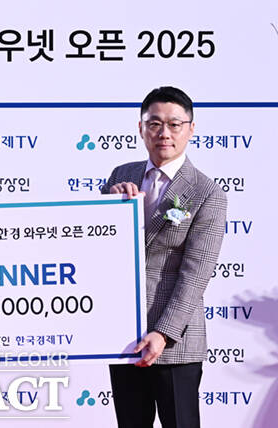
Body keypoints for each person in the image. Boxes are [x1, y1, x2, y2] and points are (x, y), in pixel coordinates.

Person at [100, 87, 227, 428]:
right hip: (124, 335)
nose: (164, 133)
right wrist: (108, 205)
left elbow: (195, 275)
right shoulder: (120, 176)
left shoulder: (207, 192)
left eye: (174, 124)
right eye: (154, 123)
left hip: (175, 342)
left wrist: (163, 333)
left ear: (191, 129)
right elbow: (96, 247)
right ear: (141, 128)